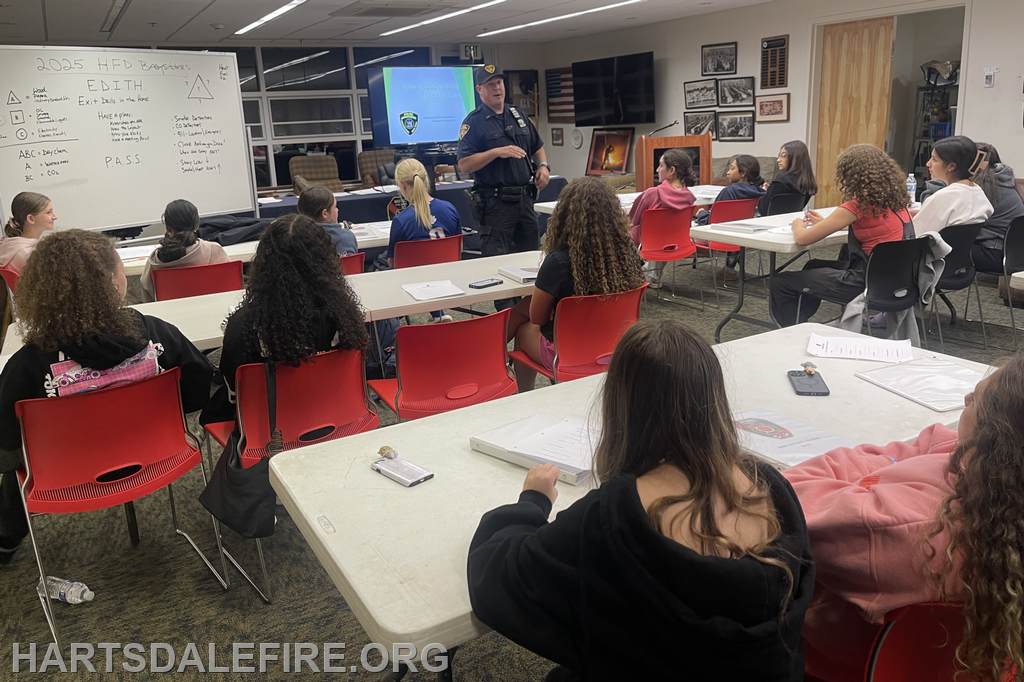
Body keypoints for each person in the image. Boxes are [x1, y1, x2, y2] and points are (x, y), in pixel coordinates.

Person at [468, 319, 815, 681]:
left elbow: (496, 579)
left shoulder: (615, 517)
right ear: (713, 398)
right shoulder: (773, 489)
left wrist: (532, 502)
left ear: (621, 405)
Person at [784, 358, 1024, 682]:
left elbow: (788, 496)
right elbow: (929, 443)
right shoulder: (991, 472)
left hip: (825, 661)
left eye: (978, 399)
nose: (967, 398)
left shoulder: (905, 527)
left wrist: (869, 473)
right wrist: (887, 466)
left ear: (996, 436)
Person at [0, 230, 214, 565]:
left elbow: (5, 437)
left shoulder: (27, 364)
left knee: (19, 457)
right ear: (114, 282)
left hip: (68, 472)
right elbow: (199, 385)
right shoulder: (155, 332)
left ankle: (5, 541)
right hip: (157, 452)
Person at [200, 214, 368, 427]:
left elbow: (234, 390)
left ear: (264, 264)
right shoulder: (345, 315)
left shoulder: (245, 324)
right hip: (338, 416)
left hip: (270, 430)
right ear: (326, 259)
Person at [506, 177, 646, 391]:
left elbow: (537, 318)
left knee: (523, 327)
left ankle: (523, 394)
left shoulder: (559, 260)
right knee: (525, 306)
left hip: (568, 353)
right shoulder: (628, 254)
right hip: (617, 346)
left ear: (565, 216)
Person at [770, 144, 911, 327]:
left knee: (781, 281)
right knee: (813, 265)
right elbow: (868, 227)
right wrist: (825, 224)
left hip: (866, 284)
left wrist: (798, 226)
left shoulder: (856, 205)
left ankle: (790, 330)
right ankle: (801, 323)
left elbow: (802, 238)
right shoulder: (893, 202)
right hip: (893, 280)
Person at [458, 64, 549, 311]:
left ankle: (532, 314)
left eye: (499, 82)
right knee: (497, 264)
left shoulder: (518, 115)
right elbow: (465, 163)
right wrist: (497, 152)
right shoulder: (473, 123)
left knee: (532, 259)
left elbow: (537, 146)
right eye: (490, 84)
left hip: (525, 200)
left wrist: (543, 166)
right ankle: (507, 321)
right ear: (480, 90)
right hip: (496, 204)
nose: (497, 87)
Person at [921, 142, 1024, 276]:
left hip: (997, 253)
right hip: (1014, 253)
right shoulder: (1001, 181)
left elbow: (938, 210)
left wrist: (940, 180)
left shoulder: (979, 189)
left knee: (934, 248)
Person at [386, 158, 462, 322]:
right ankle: (438, 315)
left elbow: (393, 263)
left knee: (378, 268)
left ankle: (389, 322)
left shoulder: (401, 220)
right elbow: (459, 249)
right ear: (426, 179)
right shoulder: (450, 209)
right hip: (447, 274)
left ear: (402, 186)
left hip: (413, 281)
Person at [627, 148, 697, 287]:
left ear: (671, 170)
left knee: (627, 230)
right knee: (663, 232)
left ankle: (631, 276)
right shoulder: (689, 197)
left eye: (661, 166)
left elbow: (633, 220)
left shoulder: (651, 194)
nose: (657, 169)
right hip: (676, 242)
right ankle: (653, 274)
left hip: (646, 241)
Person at [140, 199, 231, 302]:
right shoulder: (214, 250)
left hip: (168, 316)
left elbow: (148, 298)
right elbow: (230, 286)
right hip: (215, 312)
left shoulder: (155, 260)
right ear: (197, 225)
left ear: (167, 227)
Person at [695, 155, 767, 279]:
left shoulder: (728, 192)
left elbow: (711, 222)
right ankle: (729, 269)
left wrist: (700, 214)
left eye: (732, 169)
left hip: (720, 237)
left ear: (743, 173)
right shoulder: (759, 192)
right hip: (745, 235)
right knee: (734, 223)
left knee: (685, 229)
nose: (728, 172)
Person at [910, 135, 994, 237]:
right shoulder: (978, 193)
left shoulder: (942, 197)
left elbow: (915, 236)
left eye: (934, 159)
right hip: (960, 252)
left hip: (932, 252)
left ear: (951, 166)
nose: (928, 164)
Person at [1, 192, 57, 274]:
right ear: (31, 219)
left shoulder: (9, 242)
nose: (55, 217)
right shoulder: (27, 254)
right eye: (48, 212)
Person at [757, 140, 817, 216]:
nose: (778, 160)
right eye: (779, 156)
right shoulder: (807, 181)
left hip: (769, 222)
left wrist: (765, 192)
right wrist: (772, 189)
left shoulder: (781, 181)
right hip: (790, 221)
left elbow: (762, 209)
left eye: (783, 156)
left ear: (794, 158)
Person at [296, 186, 359, 257]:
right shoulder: (345, 237)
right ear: (325, 213)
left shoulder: (294, 238)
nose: (337, 210)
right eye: (335, 207)